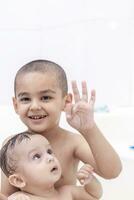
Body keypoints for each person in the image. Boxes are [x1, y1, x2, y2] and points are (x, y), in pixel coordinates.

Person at [1, 59, 122, 198]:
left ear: (66, 101)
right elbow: (5, 194)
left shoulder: (73, 142)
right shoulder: (12, 147)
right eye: (25, 99)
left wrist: (89, 129)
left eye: (45, 97)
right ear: (16, 105)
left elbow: (112, 172)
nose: (34, 106)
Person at [0, 132, 103, 200]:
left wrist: (90, 181)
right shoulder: (21, 198)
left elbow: (93, 195)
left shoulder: (67, 192)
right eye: (36, 156)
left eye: (49, 151)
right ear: (18, 180)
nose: (50, 158)